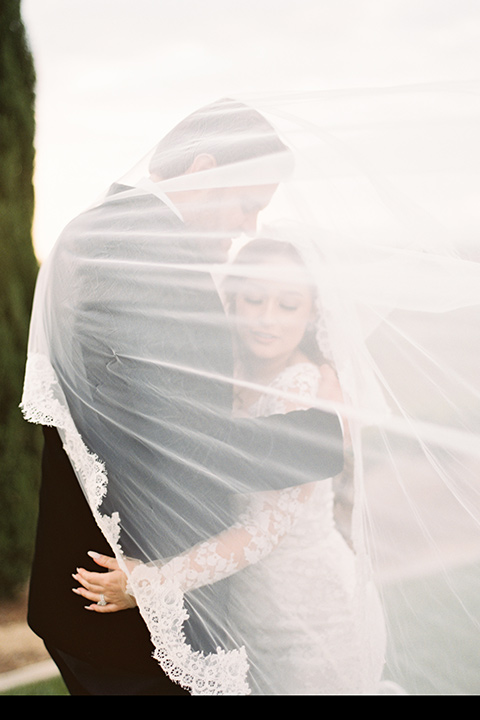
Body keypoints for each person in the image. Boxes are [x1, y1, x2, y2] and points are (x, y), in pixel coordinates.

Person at [21, 99, 345, 696]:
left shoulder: (114, 231)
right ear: (202, 170)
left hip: (121, 588)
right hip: (125, 604)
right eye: (249, 204)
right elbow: (183, 434)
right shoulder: (132, 253)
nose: (250, 226)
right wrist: (329, 433)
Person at [73, 236, 387, 695]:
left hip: (311, 615)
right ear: (232, 298)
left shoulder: (306, 390)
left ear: (311, 312)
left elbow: (262, 531)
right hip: (246, 608)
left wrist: (151, 582)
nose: (266, 319)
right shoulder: (224, 368)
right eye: (254, 299)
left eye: (287, 304)